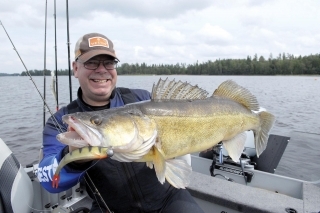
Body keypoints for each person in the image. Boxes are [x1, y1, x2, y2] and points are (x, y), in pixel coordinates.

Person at [38, 32, 204, 213]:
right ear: (76, 68)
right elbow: (48, 180)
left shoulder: (142, 98)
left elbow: (187, 126)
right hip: (110, 208)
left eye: (109, 63)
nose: (101, 70)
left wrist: (207, 138)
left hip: (169, 199)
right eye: (91, 62)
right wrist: (73, 158)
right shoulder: (62, 122)